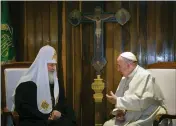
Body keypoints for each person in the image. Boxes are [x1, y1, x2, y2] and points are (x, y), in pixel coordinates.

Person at [13, 45, 76, 126]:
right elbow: (23, 109)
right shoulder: (26, 84)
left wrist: (58, 113)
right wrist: (48, 116)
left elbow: (62, 102)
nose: (54, 68)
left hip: (54, 121)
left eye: (55, 65)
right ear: (42, 65)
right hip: (34, 121)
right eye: (51, 65)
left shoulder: (56, 83)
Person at [103, 52, 166, 126]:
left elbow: (140, 102)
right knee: (107, 124)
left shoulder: (145, 76)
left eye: (119, 66)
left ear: (129, 65)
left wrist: (117, 100)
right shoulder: (125, 78)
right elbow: (121, 98)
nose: (118, 69)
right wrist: (120, 112)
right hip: (129, 116)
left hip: (146, 115)